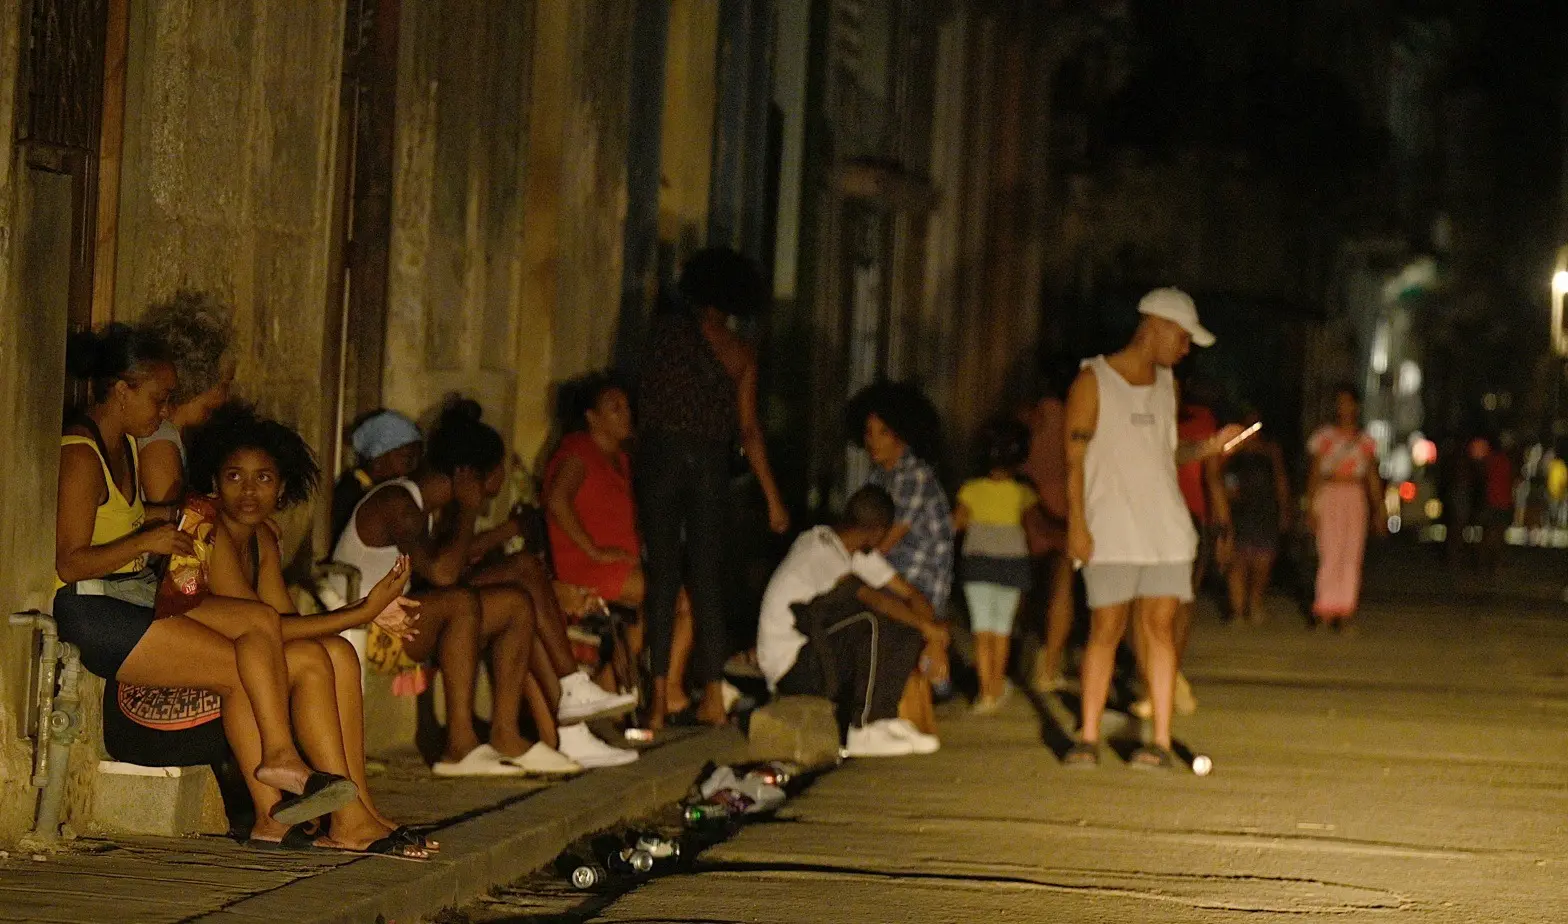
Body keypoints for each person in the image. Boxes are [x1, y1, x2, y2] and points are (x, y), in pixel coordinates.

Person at [53, 325, 360, 828]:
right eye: (159, 398)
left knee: (254, 639)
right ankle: (278, 781)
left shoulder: (126, 446)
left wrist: (185, 516)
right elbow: (68, 562)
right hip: (93, 608)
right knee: (246, 661)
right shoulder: (80, 453)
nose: (166, 411)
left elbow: (140, 517)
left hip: (130, 597)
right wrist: (145, 542)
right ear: (122, 389)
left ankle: (272, 811)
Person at [336, 400, 633, 775]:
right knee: (462, 600)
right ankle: (461, 746)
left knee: (516, 598)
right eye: (497, 470)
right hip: (372, 624)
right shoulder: (397, 502)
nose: (501, 480)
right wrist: (469, 509)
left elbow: (442, 566)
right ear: (469, 477)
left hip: (400, 612)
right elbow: (445, 575)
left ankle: (519, 726)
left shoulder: (415, 503)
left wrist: (496, 528)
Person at [187, 403, 429, 857]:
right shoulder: (214, 531)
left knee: (338, 650)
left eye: (263, 478)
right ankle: (346, 818)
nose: (248, 491)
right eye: (235, 476)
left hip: (252, 644)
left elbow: (285, 619)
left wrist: (365, 614)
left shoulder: (262, 537)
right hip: (212, 649)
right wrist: (360, 611)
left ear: (282, 488)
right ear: (214, 482)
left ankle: (360, 807)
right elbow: (265, 627)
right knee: (317, 653)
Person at [1063, 288, 1242, 770]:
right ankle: (1089, 735)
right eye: (1182, 338)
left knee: (1159, 629)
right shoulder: (1092, 379)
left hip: (1165, 527)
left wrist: (1206, 449)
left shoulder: (1168, 384)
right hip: (1111, 527)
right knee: (1106, 628)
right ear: (1155, 327)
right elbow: (1073, 458)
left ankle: (1159, 740)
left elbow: (1165, 452)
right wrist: (1077, 524)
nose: (1185, 350)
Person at [638, 247, 789, 732]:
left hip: (661, 459)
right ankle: (713, 701)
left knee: (662, 579)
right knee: (707, 582)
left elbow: (645, 402)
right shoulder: (740, 351)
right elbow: (749, 431)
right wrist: (772, 499)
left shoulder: (664, 336)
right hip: (708, 464)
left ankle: (658, 702)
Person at [757, 486, 944, 757]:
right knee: (869, 619)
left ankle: (884, 718)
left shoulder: (852, 550)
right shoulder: (817, 550)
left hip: (817, 652)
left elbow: (911, 594)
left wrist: (931, 638)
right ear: (878, 531)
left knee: (906, 624)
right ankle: (863, 728)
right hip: (791, 668)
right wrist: (931, 629)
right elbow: (872, 598)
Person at [544, 375, 693, 698]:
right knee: (678, 600)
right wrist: (595, 551)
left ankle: (609, 686)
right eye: (615, 408)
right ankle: (670, 692)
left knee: (661, 600)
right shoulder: (578, 451)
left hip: (621, 565)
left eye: (627, 407)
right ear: (591, 417)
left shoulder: (621, 460)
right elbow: (557, 499)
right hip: (588, 566)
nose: (626, 414)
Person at [847, 381, 954, 732]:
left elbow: (887, 539)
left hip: (921, 574)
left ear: (903, 434)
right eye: (868, 431)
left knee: (885, 608)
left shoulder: (914, 475)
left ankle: (935, 672)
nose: (872, 440)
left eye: (883, 432)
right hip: (895, 569)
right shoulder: (881, 475)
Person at [954, 419, 1035, 714]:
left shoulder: (970, 490)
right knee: (1001, 631)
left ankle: (984, 691)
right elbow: (1032, 528)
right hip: (1011, 565)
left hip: (977, 564)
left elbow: (957, 522)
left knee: (981, 630)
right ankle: (996, 686)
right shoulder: (1023, 492)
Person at [135, 291, 237, 506]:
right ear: (197, 380)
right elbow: (176, 520)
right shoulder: (159, 440)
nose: (227, 398)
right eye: (224, 386)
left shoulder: (174, 435)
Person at [1306, 385, 1384, 631]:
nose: (1344, 408)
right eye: (1340, 403)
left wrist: (1379, 509)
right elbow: (1315, 472)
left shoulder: (1365, 442)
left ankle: (1345, 609)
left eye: (1348, 403)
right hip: (1330, 494)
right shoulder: (1324, 437)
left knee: (1351, 553)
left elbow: (1371, 476)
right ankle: (1325, 608)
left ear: (1356, 406)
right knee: (1329, 551)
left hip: (1354, 496)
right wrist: (1310, 506)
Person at [1019, 363, 1077, 695]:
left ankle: (1013, 653)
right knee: (1061, 587)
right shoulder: (1076, 416)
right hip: (1065, 505)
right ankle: (1049, 665)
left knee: (1024, 588)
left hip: (1026, 502)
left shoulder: (1025, 416)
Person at [1219, 408, 1291, 625]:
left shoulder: (1270, 451)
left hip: (1264, 510)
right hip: (1239, 511)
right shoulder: (1232, 450)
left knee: (1262, 562)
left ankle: (1256, 604)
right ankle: (1238, 611)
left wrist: (1285, 507)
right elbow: (1220, 475)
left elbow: (1280, 479)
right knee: (1238, 562)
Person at [331, 410, 423, 545]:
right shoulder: (349, 495)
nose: (413, 468)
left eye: (418, 460)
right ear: (378, 459)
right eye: (407, 459)